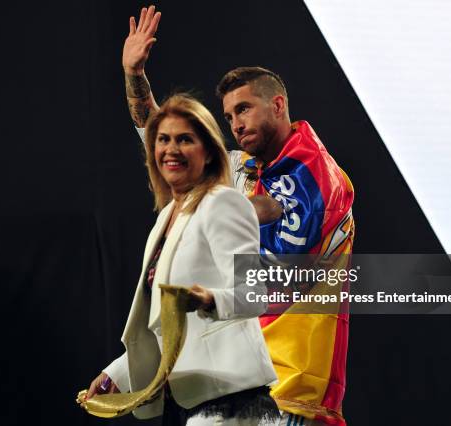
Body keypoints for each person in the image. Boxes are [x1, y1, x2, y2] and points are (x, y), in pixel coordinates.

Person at [122, 6, 355, 426]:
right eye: (228, 116)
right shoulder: (243, 170)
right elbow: (166, 141)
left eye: (244, 109)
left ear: (278, 104)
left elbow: (282, 269)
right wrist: (134, 76)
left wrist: (208, 202)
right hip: (239, 380)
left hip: (291, 387)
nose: (235, 124)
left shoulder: (318, 174)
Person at [85, 93, 280, 425]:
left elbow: (254, 294)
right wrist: (117, 373)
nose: (171, 149)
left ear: (207, 153)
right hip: (185, 400)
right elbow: (164, 324)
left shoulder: (223, 203)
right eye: (163, 140)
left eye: (184, 140)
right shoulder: (167, 218)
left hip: (230, 401)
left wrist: (209, 299)